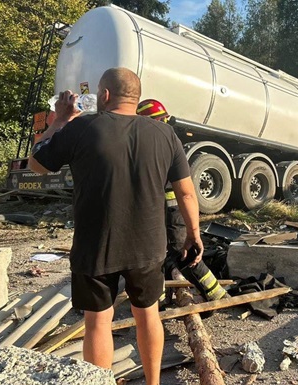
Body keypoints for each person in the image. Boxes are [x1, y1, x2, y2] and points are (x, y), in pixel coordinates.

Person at [28, 67, 202, 385]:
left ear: (104, 95)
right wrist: (194, 234)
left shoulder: (81, 127)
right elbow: (186, 191)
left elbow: (36, 164)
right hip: (148, 246)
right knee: (148, 315)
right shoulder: (165, 134)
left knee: (98, 322)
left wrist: (62, 119)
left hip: (96, 245)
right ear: (135, 97)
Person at [136, 99, 227, 303]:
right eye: (160, 120)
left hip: (171, 210)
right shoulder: (162, 142)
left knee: (182, 252)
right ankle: (162, 298)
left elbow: (184, 192)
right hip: (162, 210)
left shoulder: (156, 144)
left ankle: (216, 294)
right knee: (159, 253)